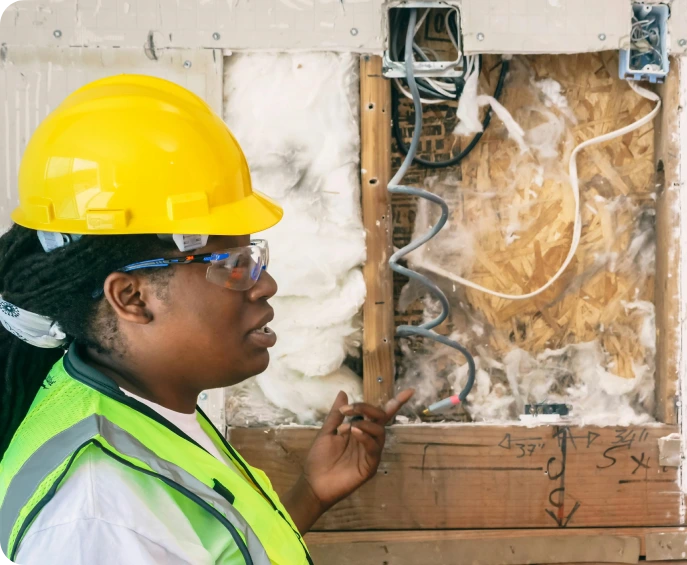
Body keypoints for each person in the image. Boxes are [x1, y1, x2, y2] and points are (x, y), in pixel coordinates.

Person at [0, 74, 413, 564]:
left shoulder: (142, 409)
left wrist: (311, 493)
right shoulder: (96, 514)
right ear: (132, 297)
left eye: (252, 257)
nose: (264, 284)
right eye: (231, 265)